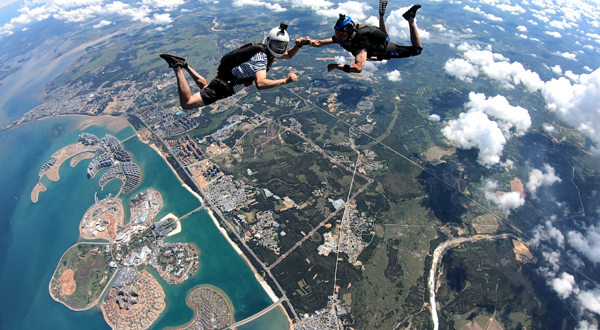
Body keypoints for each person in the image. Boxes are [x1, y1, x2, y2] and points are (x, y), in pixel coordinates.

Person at [160, 23, 304, 110]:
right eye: (276, 45)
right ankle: (177, 66)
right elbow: (260, 83)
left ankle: (185, 65)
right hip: (225, 86)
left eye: (282, 46)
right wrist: (285, 81)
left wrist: (297, 46)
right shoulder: (261, 58)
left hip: (223, 81)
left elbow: (288, 55)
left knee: (205, 87)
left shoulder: (264, 51)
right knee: (187, 103)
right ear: (269, 42)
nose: (279, 49)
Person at [300, 1, 423, 74]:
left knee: (417, 50)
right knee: (385, 37)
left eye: (341, 34)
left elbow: (358, 68)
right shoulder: (343, 37)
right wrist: (307, 42)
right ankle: (381, 15)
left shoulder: (361, 44)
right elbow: (319, 43)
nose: (339, 37)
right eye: (336, 33)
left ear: (349, 32)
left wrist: (337, 66)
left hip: (386, 50)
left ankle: (410, 18)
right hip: (377, 44)